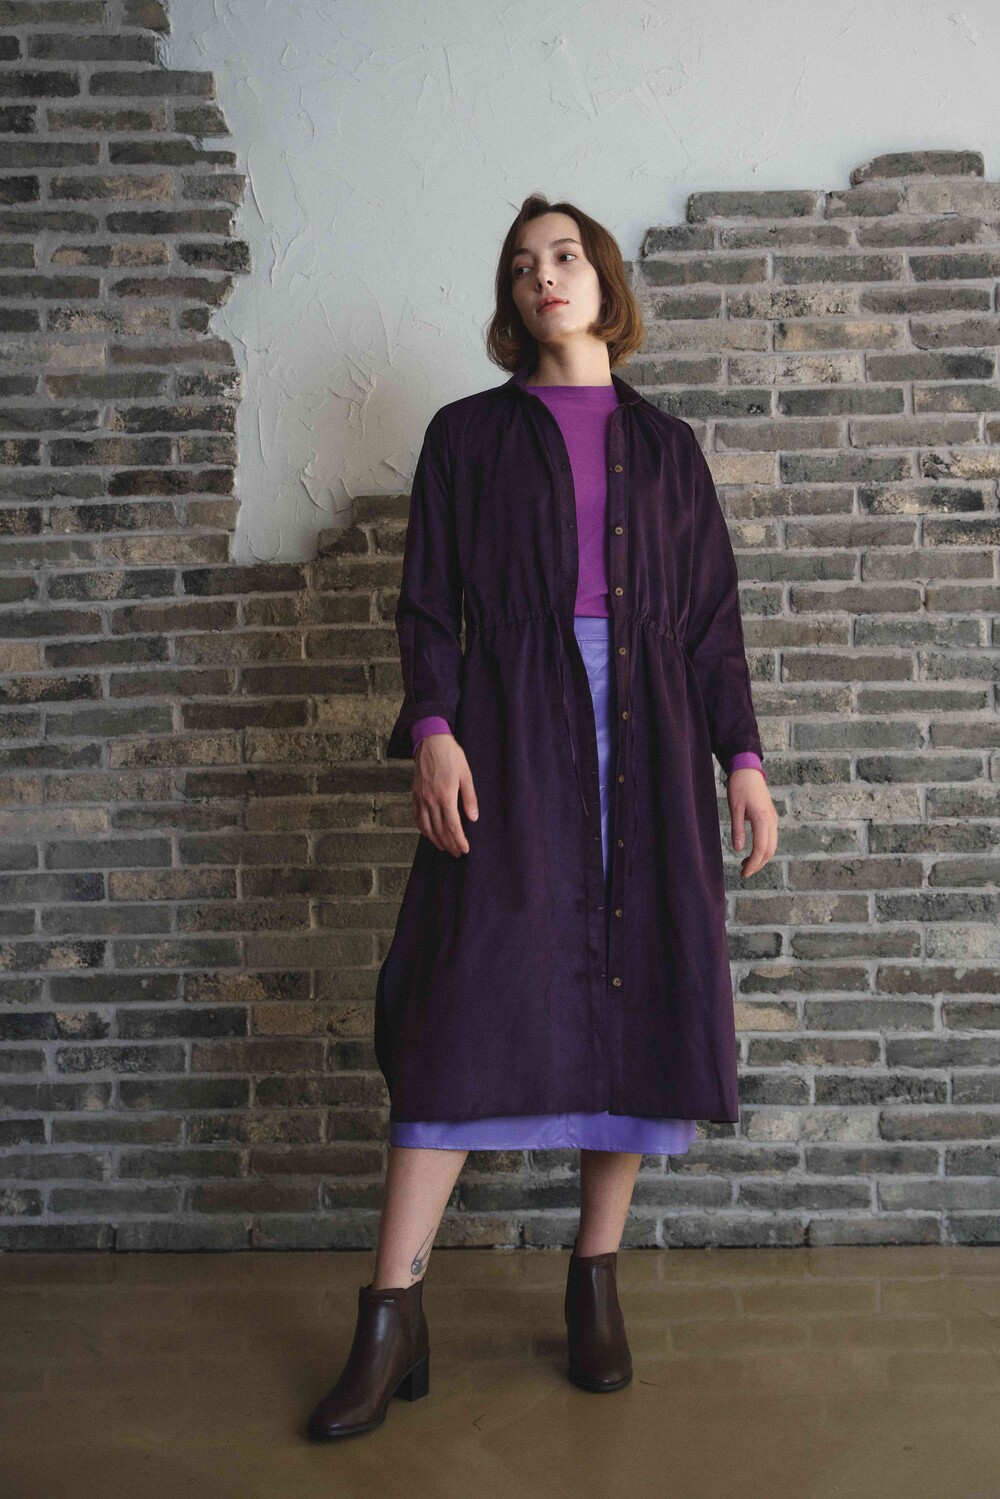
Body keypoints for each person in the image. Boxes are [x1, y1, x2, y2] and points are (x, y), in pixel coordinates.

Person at [306, 195, 779, 1440]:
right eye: (522, 266)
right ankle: (391, 1308)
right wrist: (433, 727)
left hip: (653, 731)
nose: (542, 277)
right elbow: (426, 605)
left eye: (564, 256)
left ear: (604, 280)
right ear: (511, 299)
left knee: (638, 982)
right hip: (512, 722)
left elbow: (713, 621)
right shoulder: (466, 436)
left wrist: (741, 757)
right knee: (461, 993)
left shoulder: (668, 448)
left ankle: (594, 1275)